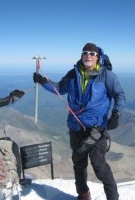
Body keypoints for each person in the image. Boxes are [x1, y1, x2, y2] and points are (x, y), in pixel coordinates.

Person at [33, 43, 125, 200]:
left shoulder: (106, 75)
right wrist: (43, 82)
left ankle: (113, 197)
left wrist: (116, 114)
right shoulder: (73, 74)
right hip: (76, 127)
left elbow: (119, 95)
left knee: (99, 165)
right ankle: (83, 194)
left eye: (91, 53)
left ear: (98, 57)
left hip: (97, 129)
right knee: (78, 163)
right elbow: (60, 88)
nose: (88, 55)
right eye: (85, 53)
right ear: (82, 55)